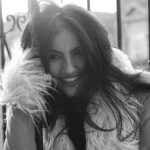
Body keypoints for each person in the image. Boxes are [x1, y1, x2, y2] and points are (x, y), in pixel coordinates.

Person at [1, 0, 150, 150]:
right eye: (54, 56)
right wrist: (21, 96)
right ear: (36, 61)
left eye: (78, 53)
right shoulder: (34, 111)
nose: (69, 68)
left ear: (96, 51)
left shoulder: (142, 98)